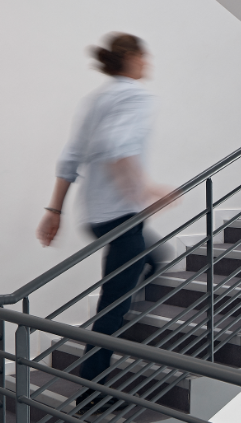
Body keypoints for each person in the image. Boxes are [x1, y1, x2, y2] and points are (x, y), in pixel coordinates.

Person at [38, 33, 171, 384]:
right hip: (122, 215)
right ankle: (91, 392)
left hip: (95, 216)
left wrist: (55, 211)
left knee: (156, 257)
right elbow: (118, 145)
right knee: (113, 304)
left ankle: (143, 325)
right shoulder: (137, 96)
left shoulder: (95, 99)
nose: (148, 63)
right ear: (131, 58)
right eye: (145, 56)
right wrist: (145, 188)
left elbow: (70, 157)